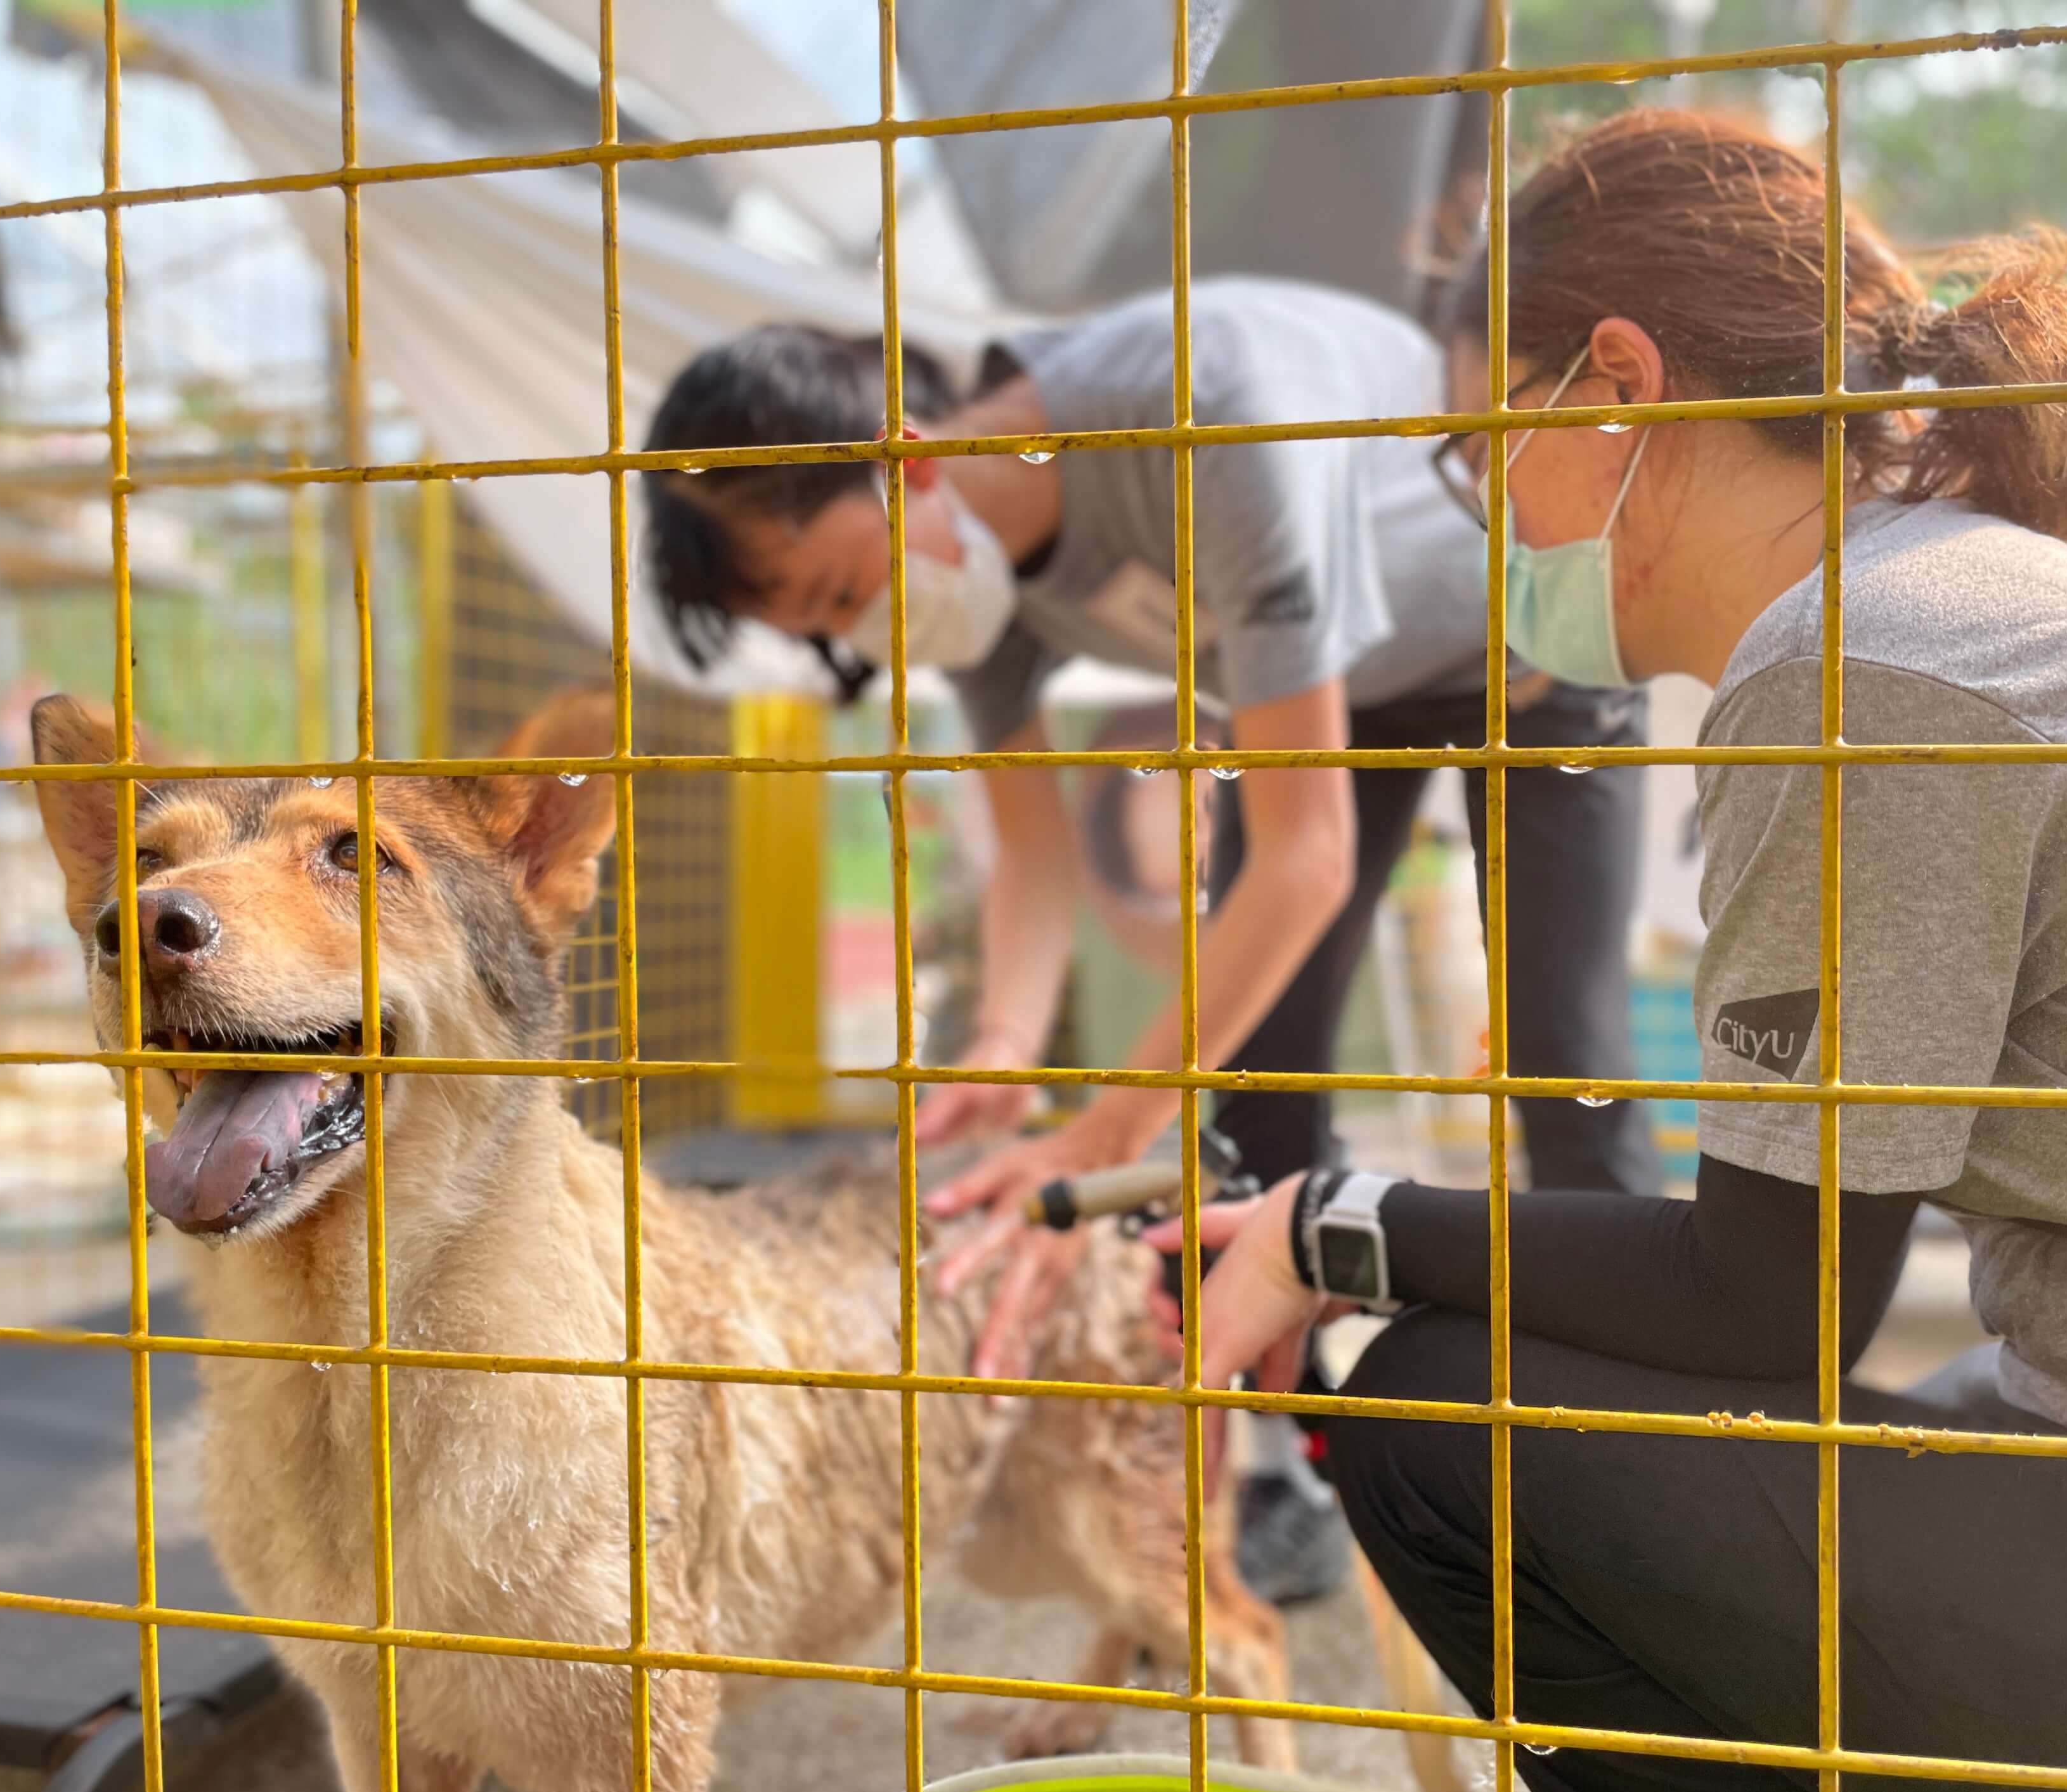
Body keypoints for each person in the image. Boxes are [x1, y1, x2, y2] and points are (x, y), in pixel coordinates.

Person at [1178, 109, 2067, 1792]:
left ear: (1614, 385)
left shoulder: (1863, 660)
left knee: (1442, 1421)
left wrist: (1330, 1226)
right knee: (1816, 1418)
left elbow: (1773, 1303)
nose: (1490, 522)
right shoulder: (1938, 600)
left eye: (1477, 453)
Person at [644, 279, 1661, 1602]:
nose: (872, 628)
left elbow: (1304, 859)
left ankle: (1642, 1461)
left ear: (907, 455)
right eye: (833, 628)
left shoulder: (1206, 411)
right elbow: (1032, 856)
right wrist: (1004, 1046)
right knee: (1255, 1090)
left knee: (1564, 1057)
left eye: (846, 587)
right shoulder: (967, 585)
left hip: (1528, 654)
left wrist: (1107, 1133)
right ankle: (1304, 1470)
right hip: (1334, 694)